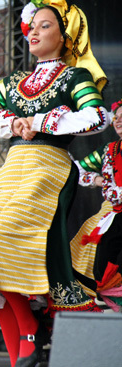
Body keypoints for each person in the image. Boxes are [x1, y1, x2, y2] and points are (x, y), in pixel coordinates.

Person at [0, 1, 109, 366]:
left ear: (66, 35)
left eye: (44, 26)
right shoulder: (17, 83)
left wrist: (41, 122)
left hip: (48, 165)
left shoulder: (74, 77)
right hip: (13, 166)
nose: (32, 31)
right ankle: (22, 351)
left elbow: (96, 117)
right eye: (31, 26)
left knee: (7, 240)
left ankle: (30, 329)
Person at [76, 98, 122, 311]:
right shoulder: (109, 150)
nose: (119, 121)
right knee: (100, 262)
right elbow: (77, 169)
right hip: (115, 213)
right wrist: (96, 179)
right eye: (116, 118)